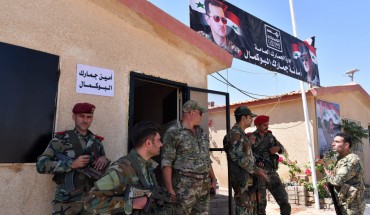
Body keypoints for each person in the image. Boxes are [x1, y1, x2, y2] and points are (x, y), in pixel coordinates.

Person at [84, 121, 175, 214]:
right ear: (148, 143)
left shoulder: (148, 167)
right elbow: (90, 202)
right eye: (158, 140)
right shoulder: (122, 169)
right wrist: (130, 203)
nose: (161, 144)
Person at [36, 102, 110, 215]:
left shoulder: (97, 142)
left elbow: (100, 168)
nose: (85, 120)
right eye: (81, 116)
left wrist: (104, 159)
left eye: (89, 117)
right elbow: (41, 165)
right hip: (66, 201)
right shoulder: (60, 140)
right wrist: (71, 164)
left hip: (91, 201)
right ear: (74, 116)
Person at [161, 100, 216, 214]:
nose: (202, 116)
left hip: (204, 186)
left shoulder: (201, 133)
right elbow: (167, 162)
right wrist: (170, 189)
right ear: (191, 113)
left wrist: (213, 179)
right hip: (184, 187)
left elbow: (206, 158)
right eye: (200, 113)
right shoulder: (173, 132)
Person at [224, 106, 267, 215]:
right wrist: (257, 170)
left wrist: (250, 145)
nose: (252, 119)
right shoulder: (235, 134)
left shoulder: (241, 134)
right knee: (243, 210)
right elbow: (239, 158)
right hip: (241, 180)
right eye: (250, 117)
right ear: (243, 118)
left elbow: (244, 154)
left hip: (247, 180)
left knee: (249, 210)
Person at [251, 115, 291, 215]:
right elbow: (246, 155)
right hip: (258, 175)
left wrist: (277, 148)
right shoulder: (251, 138)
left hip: (271, 173)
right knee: (260, 205)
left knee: (284, 199)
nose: (267, 127)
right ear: (257, 125)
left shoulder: (270, 136)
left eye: (267, 125)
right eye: (264, 125)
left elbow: (281, 148)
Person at [325, 132, 365, 214]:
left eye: (337, 142)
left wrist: (329, 177)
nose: (333, 144)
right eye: (334, 141)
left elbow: (337, 180)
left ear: (346, 145)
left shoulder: (351, 160)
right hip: (344, 201)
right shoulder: (341, 158)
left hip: (352, 206)